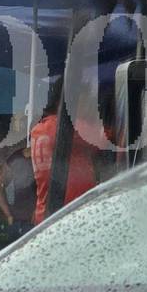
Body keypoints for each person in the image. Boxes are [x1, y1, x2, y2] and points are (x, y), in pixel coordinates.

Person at [30, 81, 100, 224]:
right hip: (70, 216)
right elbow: (106, 139)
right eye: (84, 101)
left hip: (47, 213)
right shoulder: (67, 127)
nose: (87, 107)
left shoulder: (39, 129)